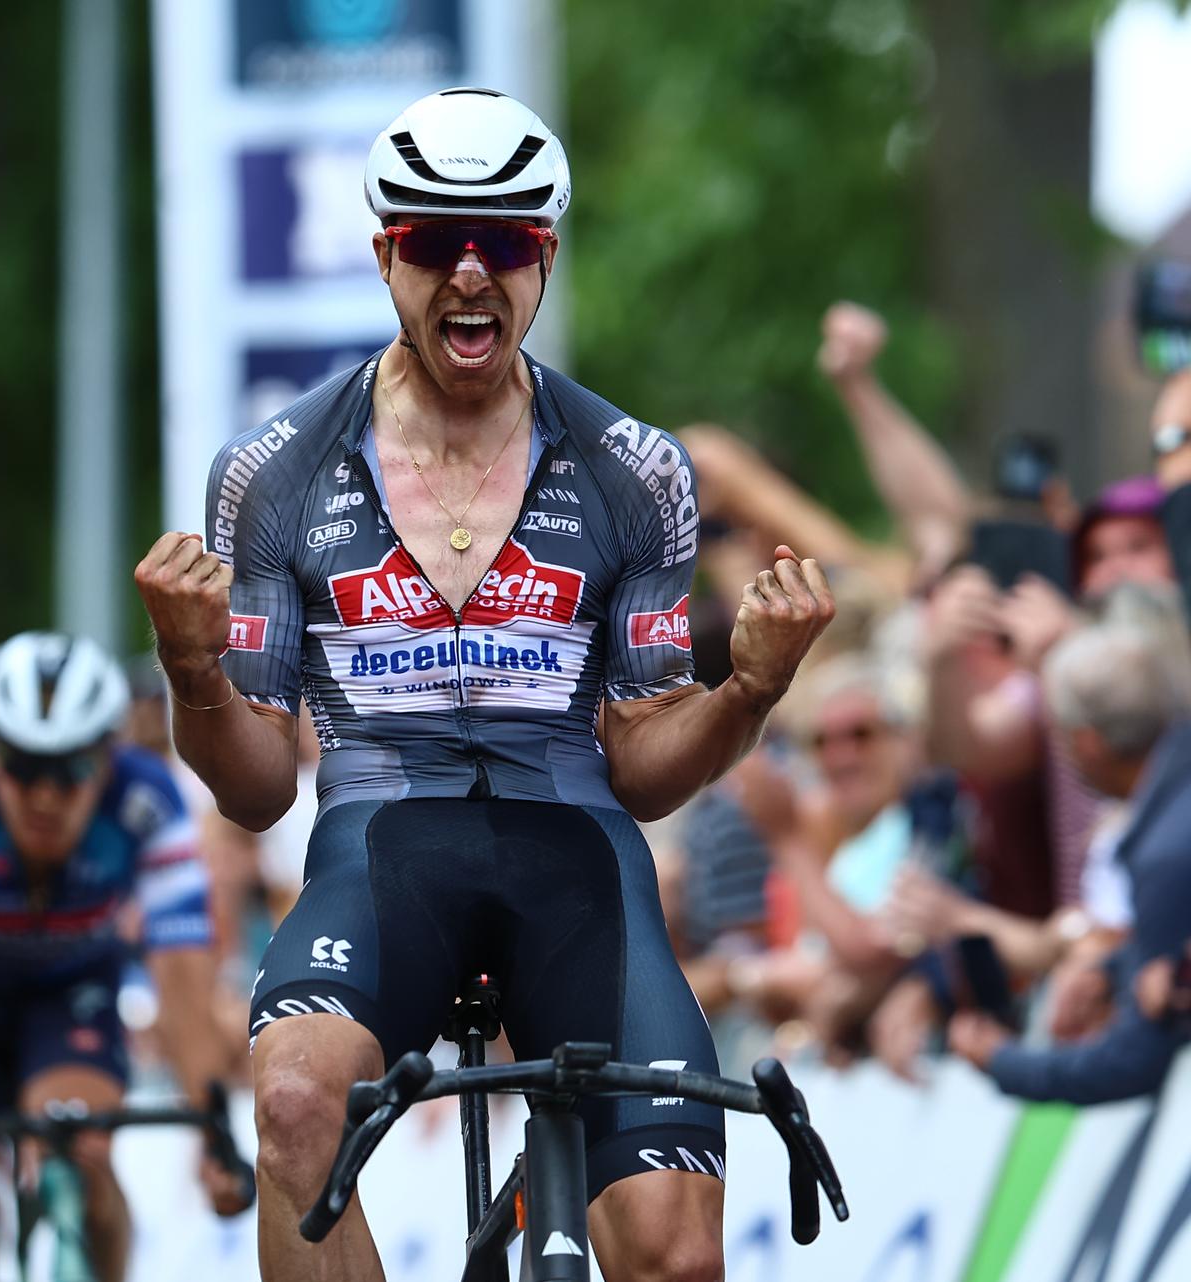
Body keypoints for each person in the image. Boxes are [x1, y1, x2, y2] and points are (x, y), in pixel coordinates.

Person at [136, 87, 834, 1282]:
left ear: (545, 257)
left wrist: (746, 693)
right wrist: (191, 669)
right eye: (435, 242)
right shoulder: (273, 473)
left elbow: (642, 766)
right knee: (297, 1107)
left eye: (504, 243)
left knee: (676, 1257)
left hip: (578, 854)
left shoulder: (635, 472)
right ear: (384, 256)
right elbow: (255, 792)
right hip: (383, 845)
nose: (470, 272)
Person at [0, 632, 246, 1282]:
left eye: (69, 770)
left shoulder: (147, 799)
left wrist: (213, 1134)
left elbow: (183, 984)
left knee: (80, 1152)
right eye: (25, 768)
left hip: (70, 997)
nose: (45, 796)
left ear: (106, 758)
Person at [948, 621, 1191, 1102]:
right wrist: (1114, 968)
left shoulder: (1164, 851)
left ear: (1086, 743)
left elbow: (1134, 1061)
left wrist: (1001, 1059)